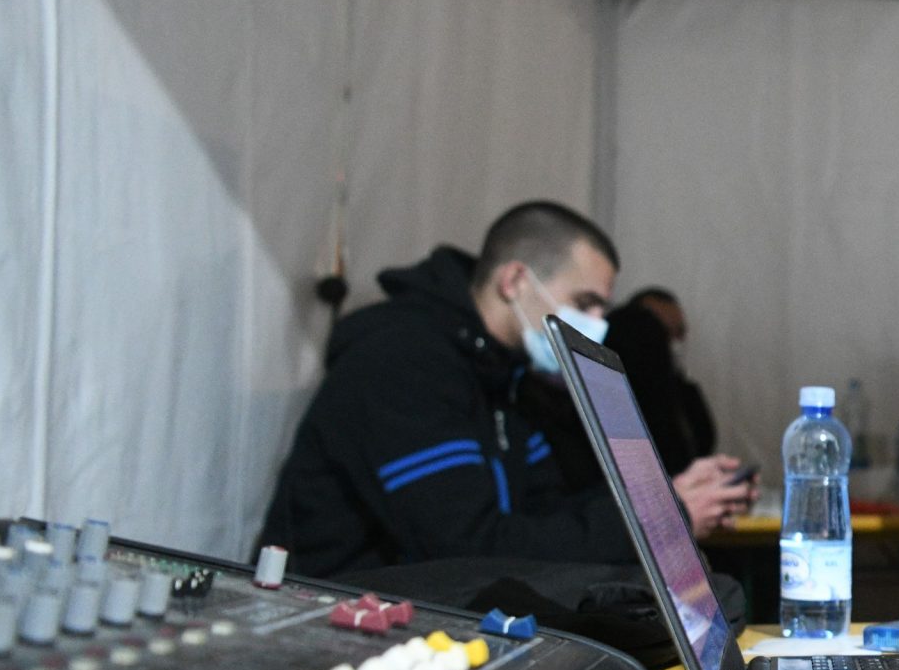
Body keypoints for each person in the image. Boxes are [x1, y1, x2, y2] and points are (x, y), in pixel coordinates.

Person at [262, 202, 752, 578]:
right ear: (516, 280)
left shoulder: (505, 373)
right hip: (347, 627)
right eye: (585, 303)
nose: (597, 325)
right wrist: (660, 521)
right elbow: (463, 549)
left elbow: (546, 513)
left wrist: (661, 497)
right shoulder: (403, 361)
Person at [606, 287, 718, 473]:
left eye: (680, 332)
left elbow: (702, 441)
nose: (673, 342)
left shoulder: (680, 387)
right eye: (663, 331)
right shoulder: (615, 395)